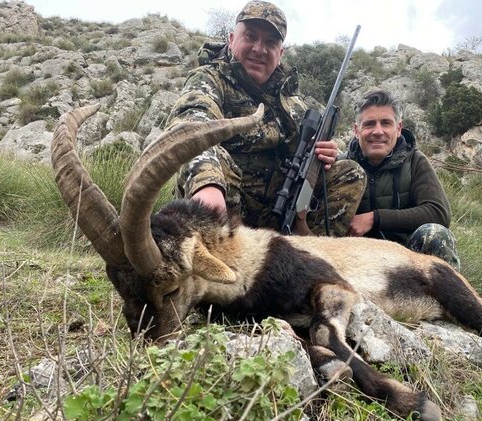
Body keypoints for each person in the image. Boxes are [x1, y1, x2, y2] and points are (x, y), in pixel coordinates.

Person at [165, 0, 365, 235]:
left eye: (270, 42)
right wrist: (206, 183)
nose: (259, 49)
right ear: (231, 39)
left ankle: (313, 259)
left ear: (280, 53)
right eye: (250, 37)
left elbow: (315, 153)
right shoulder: (208, 80)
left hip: (278, 209)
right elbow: (190, 129)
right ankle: (221, 257)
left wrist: (328, 153)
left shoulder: (292, 101)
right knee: (215, 157)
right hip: (223, 206)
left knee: (350, 172)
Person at [342, 89, 461, 270]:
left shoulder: (415, 161)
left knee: (436, 235)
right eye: (369, 124)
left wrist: (374, 219)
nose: (378, 131)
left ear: (398, 129)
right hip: (355, 260)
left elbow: (438, 213)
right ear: (356, 130)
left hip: (405, 259)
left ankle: (450, 297)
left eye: (386, 123)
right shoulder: (341, 166)